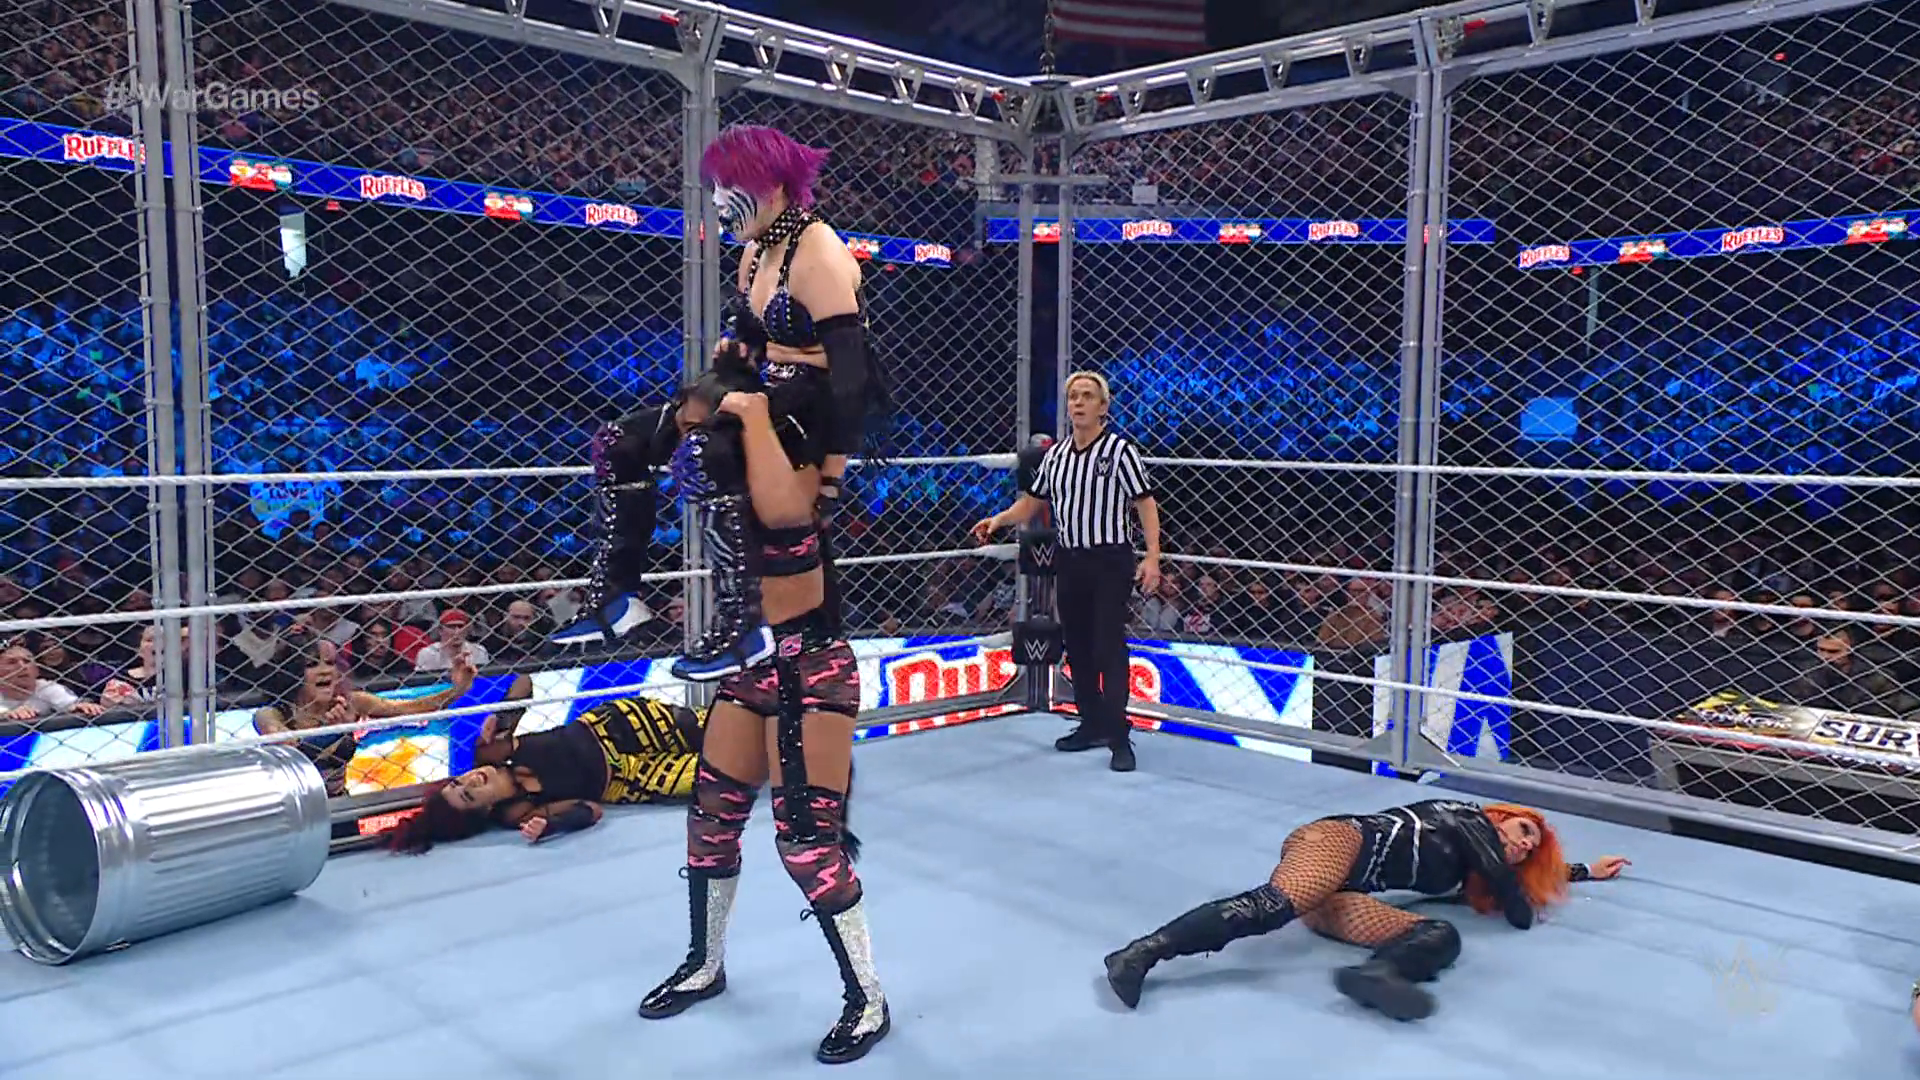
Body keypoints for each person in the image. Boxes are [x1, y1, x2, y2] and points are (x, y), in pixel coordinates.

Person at [554, 124, 887, 690]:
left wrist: (832, 479)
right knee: (619, 441)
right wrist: (738, 352)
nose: (719, 202)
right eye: (715, 189)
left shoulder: (820, 256)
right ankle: (616, 594)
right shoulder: (756, 253)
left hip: (814, 402)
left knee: (702, 453)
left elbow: (853, 381)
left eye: (730, 188)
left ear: (773, 188)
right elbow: (756, 335)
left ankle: (741, 622)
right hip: (765, 386)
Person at [639, 391, 888, 1057]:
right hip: (751, 670)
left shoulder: (793, 486)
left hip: (812, 672)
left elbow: (787, 514)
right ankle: (705, 963)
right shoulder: (727, 491)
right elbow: (642, 439)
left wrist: (750, 415)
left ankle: (867, 999)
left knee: (808, 845)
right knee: (710, 819)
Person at [1102, 799, 1630, 1020]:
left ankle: (1379, 974)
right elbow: (1516, 907)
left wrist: (1583, 870)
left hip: (1341, 896)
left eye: (1530, 848)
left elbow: (1514, 885)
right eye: (1523, 831)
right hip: (1341, 842)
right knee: (1271, 906)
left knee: (1440, 933)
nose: (1523, 845)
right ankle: (1141, 953)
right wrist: (1528, 885)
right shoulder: (1467, 818)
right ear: (1500, 817)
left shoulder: (1476, 869)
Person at [971, 371, 1161, 772]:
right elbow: (1032, 502)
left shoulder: (1120, 451)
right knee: (1076, 644)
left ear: (1103, 406)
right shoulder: (1056, 457)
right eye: (1073, 396)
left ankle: (1118, 735)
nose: (1078, 402)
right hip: (1071, 559)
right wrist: (998, 520)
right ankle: (1091, 723)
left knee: (1108, 645)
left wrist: (1152, 557)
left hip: (1110, 558)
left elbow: (1145, 502)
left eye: (1087, 396)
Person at [387, 693, 706, 853]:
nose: (472, 779)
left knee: (708, 729)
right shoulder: (517, 812)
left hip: (615, 727)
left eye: (459, 782)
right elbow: (591, 810)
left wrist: (503, 716)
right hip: (627, 778)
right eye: (469, 794)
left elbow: (523, 683)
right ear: (484, 810)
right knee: (713, 773)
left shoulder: (488, 751)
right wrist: (554, 824)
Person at [252, 639, 476, 797]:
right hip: (294, 806)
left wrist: (458, 689)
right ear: (293, 672)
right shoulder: (274, 713)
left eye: (330, 663)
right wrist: (332, 732)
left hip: (338, 801)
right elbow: (287, 746)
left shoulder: (350, 701)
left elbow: (411, 708)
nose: (325, 671)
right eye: (311, 664)